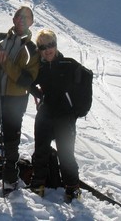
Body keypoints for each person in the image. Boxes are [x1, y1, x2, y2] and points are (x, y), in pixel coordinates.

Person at [0, 6, 39, 195]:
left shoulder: (32, 49)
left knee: (11, 138)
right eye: (19, 16)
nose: (21, 20)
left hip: (15, 99)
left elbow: (26, 79)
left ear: (31, 22)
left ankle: (10, 177)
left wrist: (5, 62)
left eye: (26, 17)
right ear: (13, 19)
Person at [28, 29, 82, 203]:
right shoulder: (40, 67)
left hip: (65, 118)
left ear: (56, 45)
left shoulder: (67, 65)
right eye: (43, 46)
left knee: (66, 154)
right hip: (45, 115)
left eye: (51, 44)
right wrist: (35, 91)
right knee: (41, 152)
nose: (48, 49)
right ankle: (38, 185)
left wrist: (75, 111)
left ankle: (72, 189)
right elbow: (28, 79)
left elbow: (82, 87)